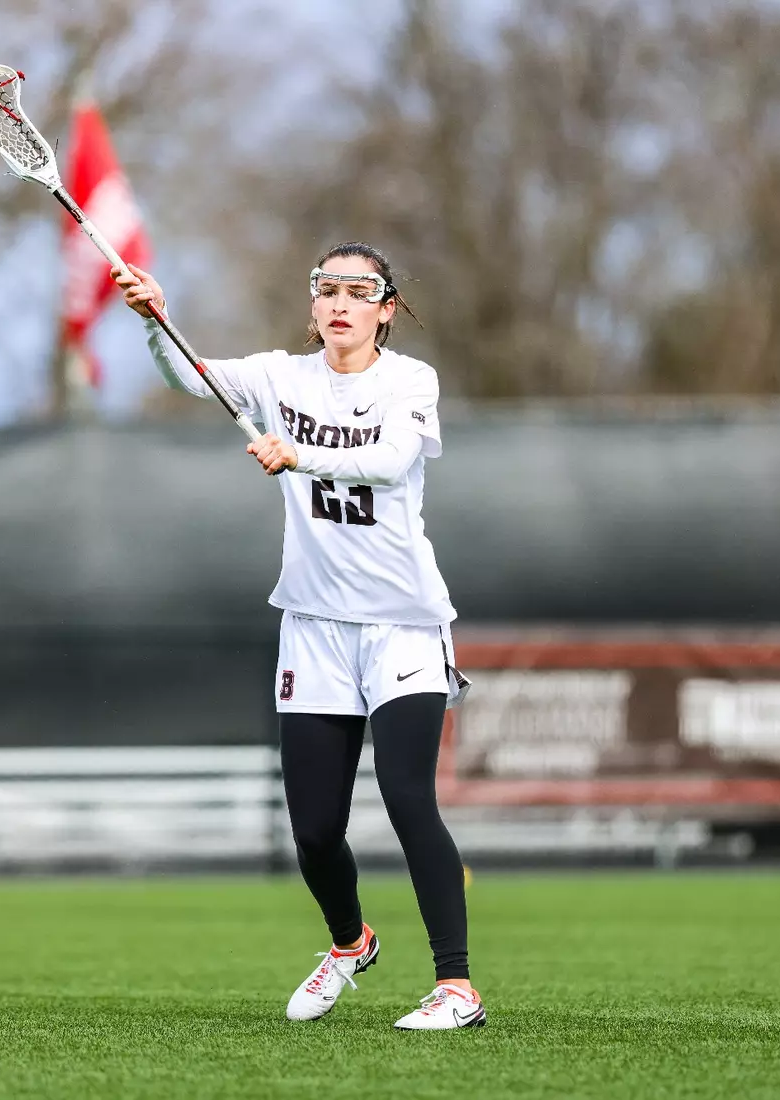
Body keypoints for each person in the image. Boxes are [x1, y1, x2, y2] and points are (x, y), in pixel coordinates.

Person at [115, 242, 484, 1031]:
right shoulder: (281, 376)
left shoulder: (409, 381)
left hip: (403, 626)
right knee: (315, 831)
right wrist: (157, 321)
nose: (340, 302)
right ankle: (351, 943)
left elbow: (388, 464)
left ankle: (456, 985)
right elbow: (192, 373)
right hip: (314, 628)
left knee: (410, 797)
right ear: (313, 304)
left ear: (386, 309)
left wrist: (299, 454)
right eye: (327, 289)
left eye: (360, 291)